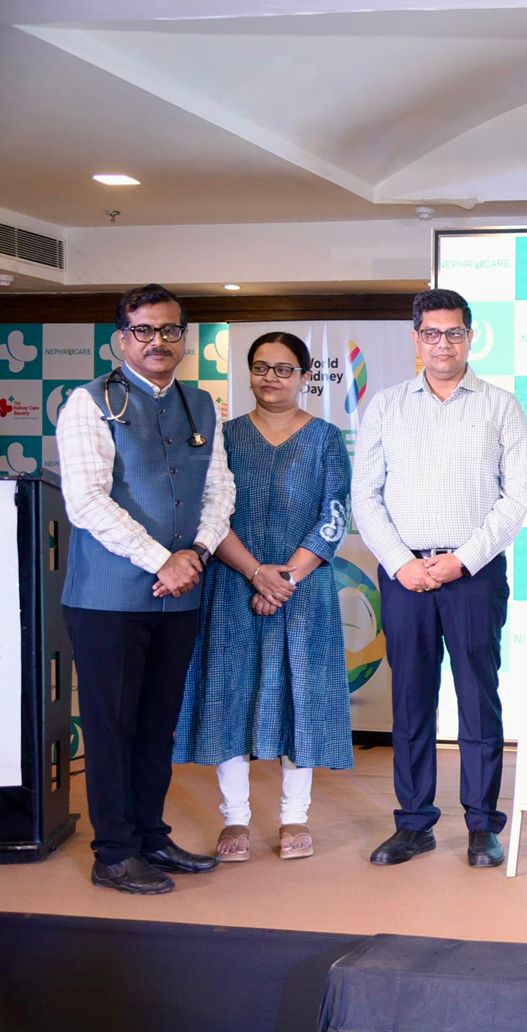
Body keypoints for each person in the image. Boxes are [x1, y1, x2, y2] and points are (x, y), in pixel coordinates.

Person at [56, 283, 235, 894]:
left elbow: (220, 490)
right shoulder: (89, 403)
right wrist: (164, 559)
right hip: (107, 601)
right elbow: (86, 501)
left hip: (180, 594)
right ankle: (114, 853)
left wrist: (198, 552)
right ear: (121, 339)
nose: (158, 341)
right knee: (113, 729)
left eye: (169, 330)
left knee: (158, 726)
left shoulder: (200, 403)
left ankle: (151, 837)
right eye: (143, 330)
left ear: (184, 338)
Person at [353, 288, 527, 869]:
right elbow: (365, 497)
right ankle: (413, 824)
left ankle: (482, 826)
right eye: (431, 333)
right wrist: (401, 562)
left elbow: (516, 500)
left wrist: (463, 560)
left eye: (454, 333)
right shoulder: (386, 406)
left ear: (470, 337)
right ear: (416, 338)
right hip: (403, 573)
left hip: (473, 574)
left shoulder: (501, 406)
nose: (443, 344)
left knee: (479, 700)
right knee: (411, 701)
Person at [173, 331, 353, 863]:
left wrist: (285, 580)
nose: (270, 377)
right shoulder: (222, 436)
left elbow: (335, 513)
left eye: (283, 368)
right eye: (260, 367)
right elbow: (210, 513)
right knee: (229, 695)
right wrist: (256, 573)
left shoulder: (325, 438)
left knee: (302, 697)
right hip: (233, 585)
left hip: (304, 590)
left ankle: (295, 816)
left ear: (304, 377)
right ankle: (236, 818)